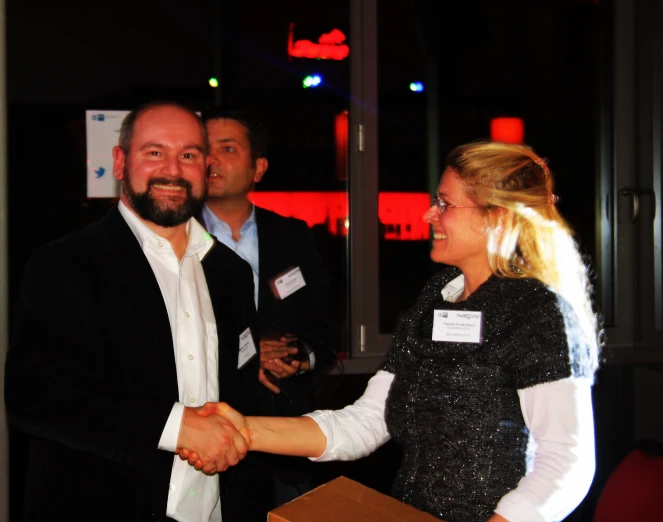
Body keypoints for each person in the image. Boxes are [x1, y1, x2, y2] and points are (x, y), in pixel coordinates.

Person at [180, 141, 601, 522]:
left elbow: (567, 462)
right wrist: (241, 430)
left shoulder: (538, 312)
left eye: (445, 203)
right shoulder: (438, 296)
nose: (428, 214)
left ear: (498, 218)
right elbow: (365, 423)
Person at [4, 101, 271, 522]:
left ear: (206, 168)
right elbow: (35, 393)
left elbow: (242, 392)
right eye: (154, 152)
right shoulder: (67, 263)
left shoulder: (231, 273)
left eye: (188, 155)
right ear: (120, 161)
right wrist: (176, 425)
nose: (173, 169)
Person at [199, 107, 337, 505]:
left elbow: (323, 328)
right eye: (204, 149)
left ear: (258, 169)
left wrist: (298, 357)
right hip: (205, 429)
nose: (211, 160)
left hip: (283, 425)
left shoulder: (293, 237)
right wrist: (245, 355)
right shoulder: (176, 235)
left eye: (227, 149)